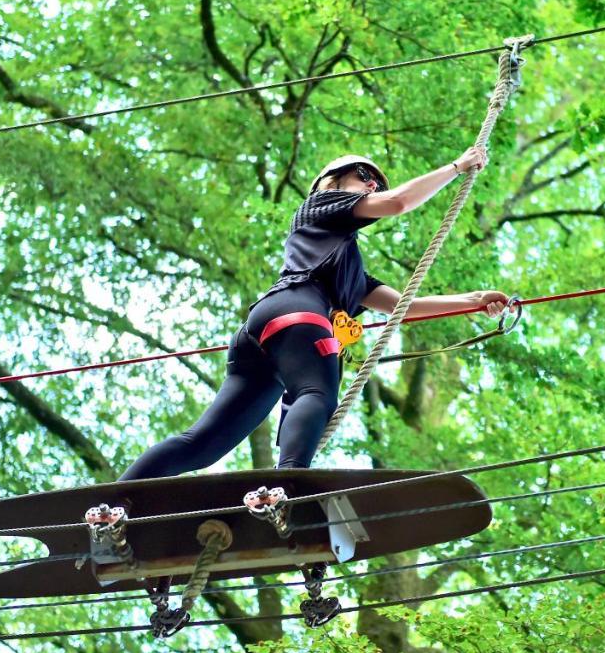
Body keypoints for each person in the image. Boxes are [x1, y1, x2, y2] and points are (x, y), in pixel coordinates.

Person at [119, 145, 509, 480]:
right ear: (330, 182)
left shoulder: (346, 265)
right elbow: (399, 203)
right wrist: (457, 167)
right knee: (318, 394)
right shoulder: (318, 207)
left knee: (202, 445)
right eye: (363, 176)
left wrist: (475, 300)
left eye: (377, 182)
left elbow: (403, 307)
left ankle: (114, 501)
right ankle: (287, 487)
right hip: (295, 314)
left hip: (268, 335)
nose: (373, 185)